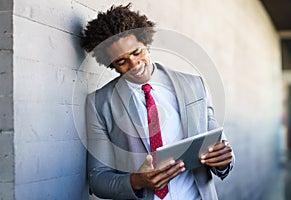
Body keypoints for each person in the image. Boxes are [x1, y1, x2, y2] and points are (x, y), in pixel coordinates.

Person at [81, 3, 234, 200]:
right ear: (111, 65)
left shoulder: (195, 86)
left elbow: (220, 145)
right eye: (121, 61)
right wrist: (137, 181)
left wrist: (223, 160)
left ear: (146, 43)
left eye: (137, 52)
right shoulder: (99, 104)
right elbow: (98, 180)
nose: (134, 64)